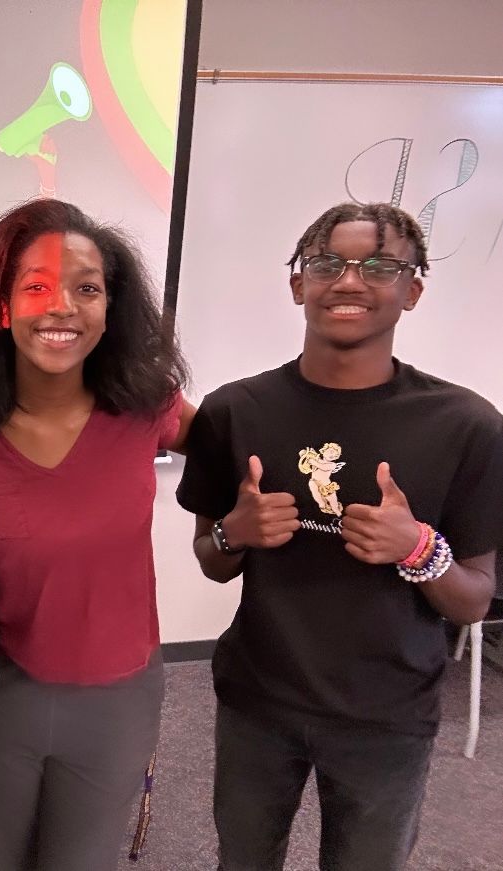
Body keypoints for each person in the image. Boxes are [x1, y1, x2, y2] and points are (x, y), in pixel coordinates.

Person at [175, 202, 503, 871]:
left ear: (411, 289)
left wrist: (416, 548)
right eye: (326, 262)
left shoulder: (466, 425)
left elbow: (472, 600)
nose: (348, 280)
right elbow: (210, 560)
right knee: (242, 859)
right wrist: (234, 534)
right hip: (256, 699)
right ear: (298, 283)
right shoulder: (235, 410)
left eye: (379, 265)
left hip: (387, 714)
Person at [0, 198, 193, 870]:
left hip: (117, 693)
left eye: (86, 288)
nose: (62, 307)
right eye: (36, 287)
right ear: (3, 304)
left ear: (111, 307)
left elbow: (248, 445)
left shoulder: (144, 404)